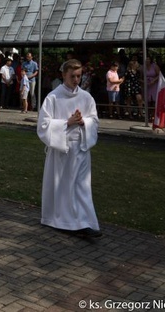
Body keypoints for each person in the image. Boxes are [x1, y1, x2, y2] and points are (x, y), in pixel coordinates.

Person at [37, 58, 101, 238]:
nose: (76, 80)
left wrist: (83, 122)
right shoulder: (53, 97)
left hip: (80, 148)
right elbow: (43, 126)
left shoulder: (86, 97)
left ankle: (86, 221)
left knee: (81, 187)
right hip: (61, 150)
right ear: (64, 75)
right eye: (72, 76)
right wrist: (67, 122)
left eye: (79, 76)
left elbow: (94, 121)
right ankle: (63, 220)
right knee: (64, 187)